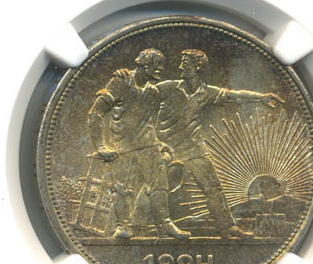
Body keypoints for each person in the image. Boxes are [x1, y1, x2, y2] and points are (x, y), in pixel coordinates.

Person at [152, 49, 284, 238]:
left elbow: (234, 96)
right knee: (155, 187)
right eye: (181, 63)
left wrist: (260, 97)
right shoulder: (167, 88)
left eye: (185, 63)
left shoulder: (206, 92)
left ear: (198, 67)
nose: (180, 67)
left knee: (213, 187)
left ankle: (227, 227)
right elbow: (141, 96)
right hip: (164, 148)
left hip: (192, 148)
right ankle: (140, 225)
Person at [87, 48, 190, 240]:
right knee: (121, 188)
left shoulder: (152, 91)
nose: (160, 69)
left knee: (160, 185)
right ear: (144, 64)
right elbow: (96, 112)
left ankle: (164, 224)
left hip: (148, 146)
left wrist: (159, 145)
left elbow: (145, 124)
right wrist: (100, 146)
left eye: (162, 65)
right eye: (157, 64)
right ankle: (123, 227)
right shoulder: (122, 81)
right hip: (122, 147)